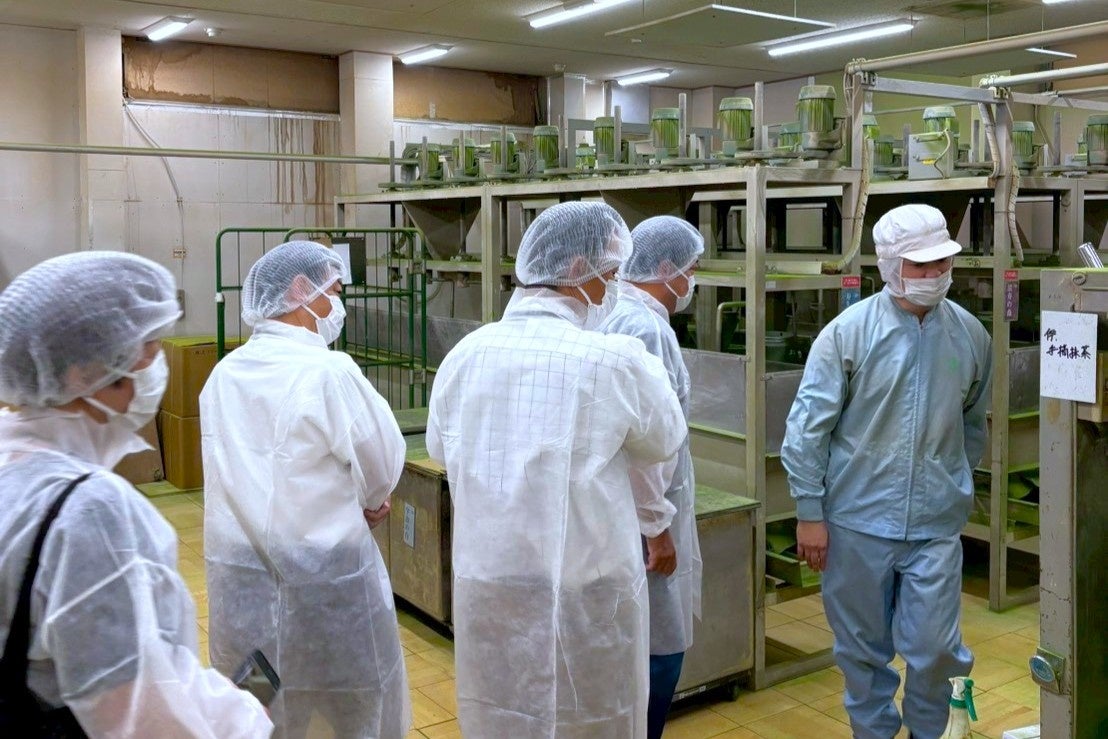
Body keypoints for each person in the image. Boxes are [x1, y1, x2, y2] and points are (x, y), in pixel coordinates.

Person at [426, 201, 687, 738]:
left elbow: (441, 451)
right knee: (592, 717)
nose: (614, 289)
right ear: (576, 270)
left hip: (493, 583)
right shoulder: (615, 361)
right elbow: (665, 440)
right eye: (610, 275)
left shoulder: (466, 355)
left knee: (504, 712)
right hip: (587, 591)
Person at [0, 251, 273, 737]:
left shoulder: (13, 464)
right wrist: (244, 720)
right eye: (145, 350)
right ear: (83, 373)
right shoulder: (87, 509)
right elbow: (135, 713)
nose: (154, 367)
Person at [781, 203, 992, 739]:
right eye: (920, 265)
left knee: (936, 648)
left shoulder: (969, 335)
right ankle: (872, 732)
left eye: (942, 262)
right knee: (862, 651)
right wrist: (809, 513)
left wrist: (950, 483)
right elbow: (808, 429)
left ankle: (930, 732)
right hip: (856, 522)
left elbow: (972, 424)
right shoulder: (848, 334)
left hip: (935, 525)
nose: (935, 274)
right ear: (890, 265)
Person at [201, 241, 409, 739]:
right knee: (351, 701)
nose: (339, 304)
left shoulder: (225, 373)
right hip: (325, 584)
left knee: (259, 703)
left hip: (242, 586)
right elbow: (381, 461)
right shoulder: (328, 372)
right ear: (300, 290)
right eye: (334, 291)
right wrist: (371, 502)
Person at [599, 215, 704, 739]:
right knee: (661, 646)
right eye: (691, 268)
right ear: (665, 268)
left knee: (640, 636)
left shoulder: (618, 313)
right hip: (644, 512)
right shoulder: (646, 328)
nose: (693, 280)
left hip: (628, 507)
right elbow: (648, 441)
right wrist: (657, 528)